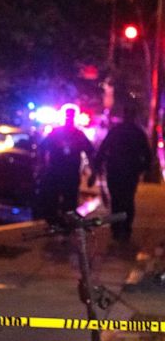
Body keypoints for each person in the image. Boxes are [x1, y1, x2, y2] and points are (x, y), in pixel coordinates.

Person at [91, 102, 152, 242]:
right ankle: (125, 228)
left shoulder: (116, 131)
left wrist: (98, 167)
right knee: (128, 200)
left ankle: (117, 229)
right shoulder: (138, 133)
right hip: (130, 172)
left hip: (115, 171)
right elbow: (147, 155)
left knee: (117, 201)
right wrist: (142, 169)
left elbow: (102, 150)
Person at [36, 106, 95, 224]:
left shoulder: (74, 134)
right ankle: (57, 224)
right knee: (59, 201)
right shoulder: (71, 133)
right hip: (61, 172)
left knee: (65, 201)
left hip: (64, 172)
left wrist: (93, 172)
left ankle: (59, 224)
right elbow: (42, 149)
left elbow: (90, 152)